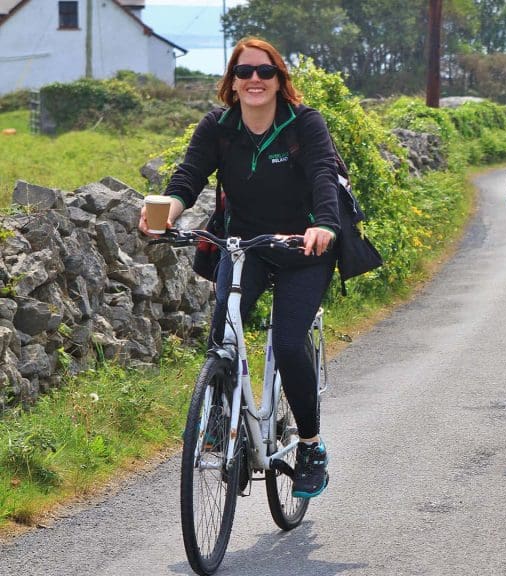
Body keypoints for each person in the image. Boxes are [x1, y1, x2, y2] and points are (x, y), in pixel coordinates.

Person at [138, 37, 341, 497]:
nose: (254, 80)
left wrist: (325, 225)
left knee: (289, 344)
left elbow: (323, 176)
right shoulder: (218, 127)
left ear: (279, 80)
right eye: (244, 72)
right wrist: (167, 211)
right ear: (231, 81)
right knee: (221, 337)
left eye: (265, 72)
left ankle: (310, 445)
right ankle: (219, 421)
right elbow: (188, 177)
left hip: (303, 248)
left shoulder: (303, 123)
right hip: (242, 245)